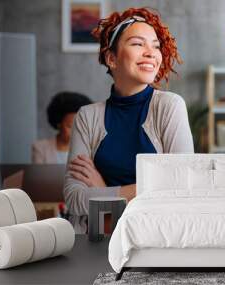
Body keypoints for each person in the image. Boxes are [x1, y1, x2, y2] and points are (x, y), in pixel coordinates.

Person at [63, 7, 194, 233]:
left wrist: (103, 189)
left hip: (155, 241)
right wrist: (144, 190)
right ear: (111, 58)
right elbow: (74, 197)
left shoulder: (170, 106)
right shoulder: (87, 116)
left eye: (155, 45)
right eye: (137, 43)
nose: (151, 52)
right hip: (96, 243)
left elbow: (182, 187)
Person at [32, 92, 92, 164]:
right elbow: (38, 174)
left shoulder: (90, 150)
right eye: (70, 126)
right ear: (59, 124)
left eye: (80, 127)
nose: (75, 132)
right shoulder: (40, 148)